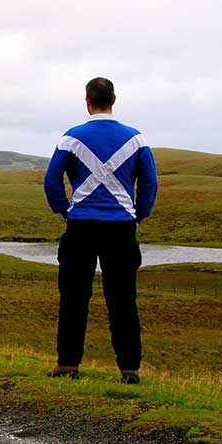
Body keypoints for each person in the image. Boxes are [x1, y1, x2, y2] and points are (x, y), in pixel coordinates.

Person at [43, 77, 158, 384]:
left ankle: (68, 364)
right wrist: (139, 215)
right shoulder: (136, 140)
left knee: (74, 297)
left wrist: (64, 209)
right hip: (121, 228)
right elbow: (149, 183)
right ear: (114, 99)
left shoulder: (72, 138)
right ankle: (129, 369)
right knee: (122, 299)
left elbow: (51, 180)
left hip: (80, 226)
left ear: (87, 101)